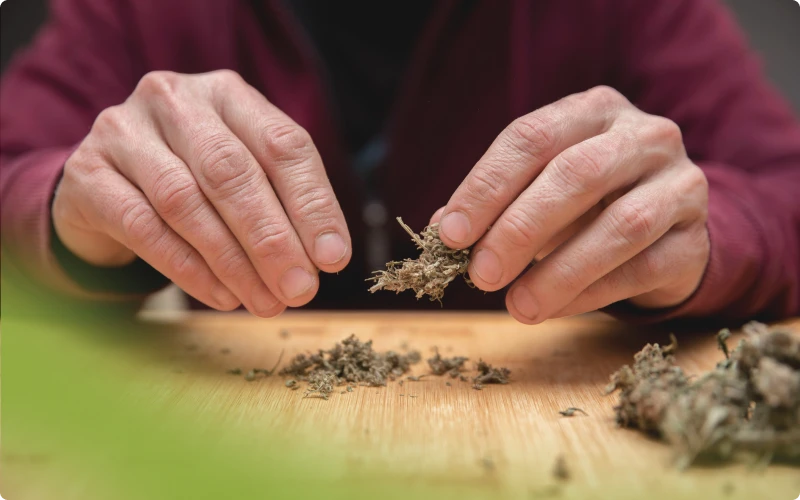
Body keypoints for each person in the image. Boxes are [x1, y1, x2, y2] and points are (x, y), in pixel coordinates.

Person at [1, 0, 798, 324]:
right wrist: (66, 210)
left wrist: (695, 239)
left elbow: (783, 188)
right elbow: (18, 167)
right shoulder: (141, 11)